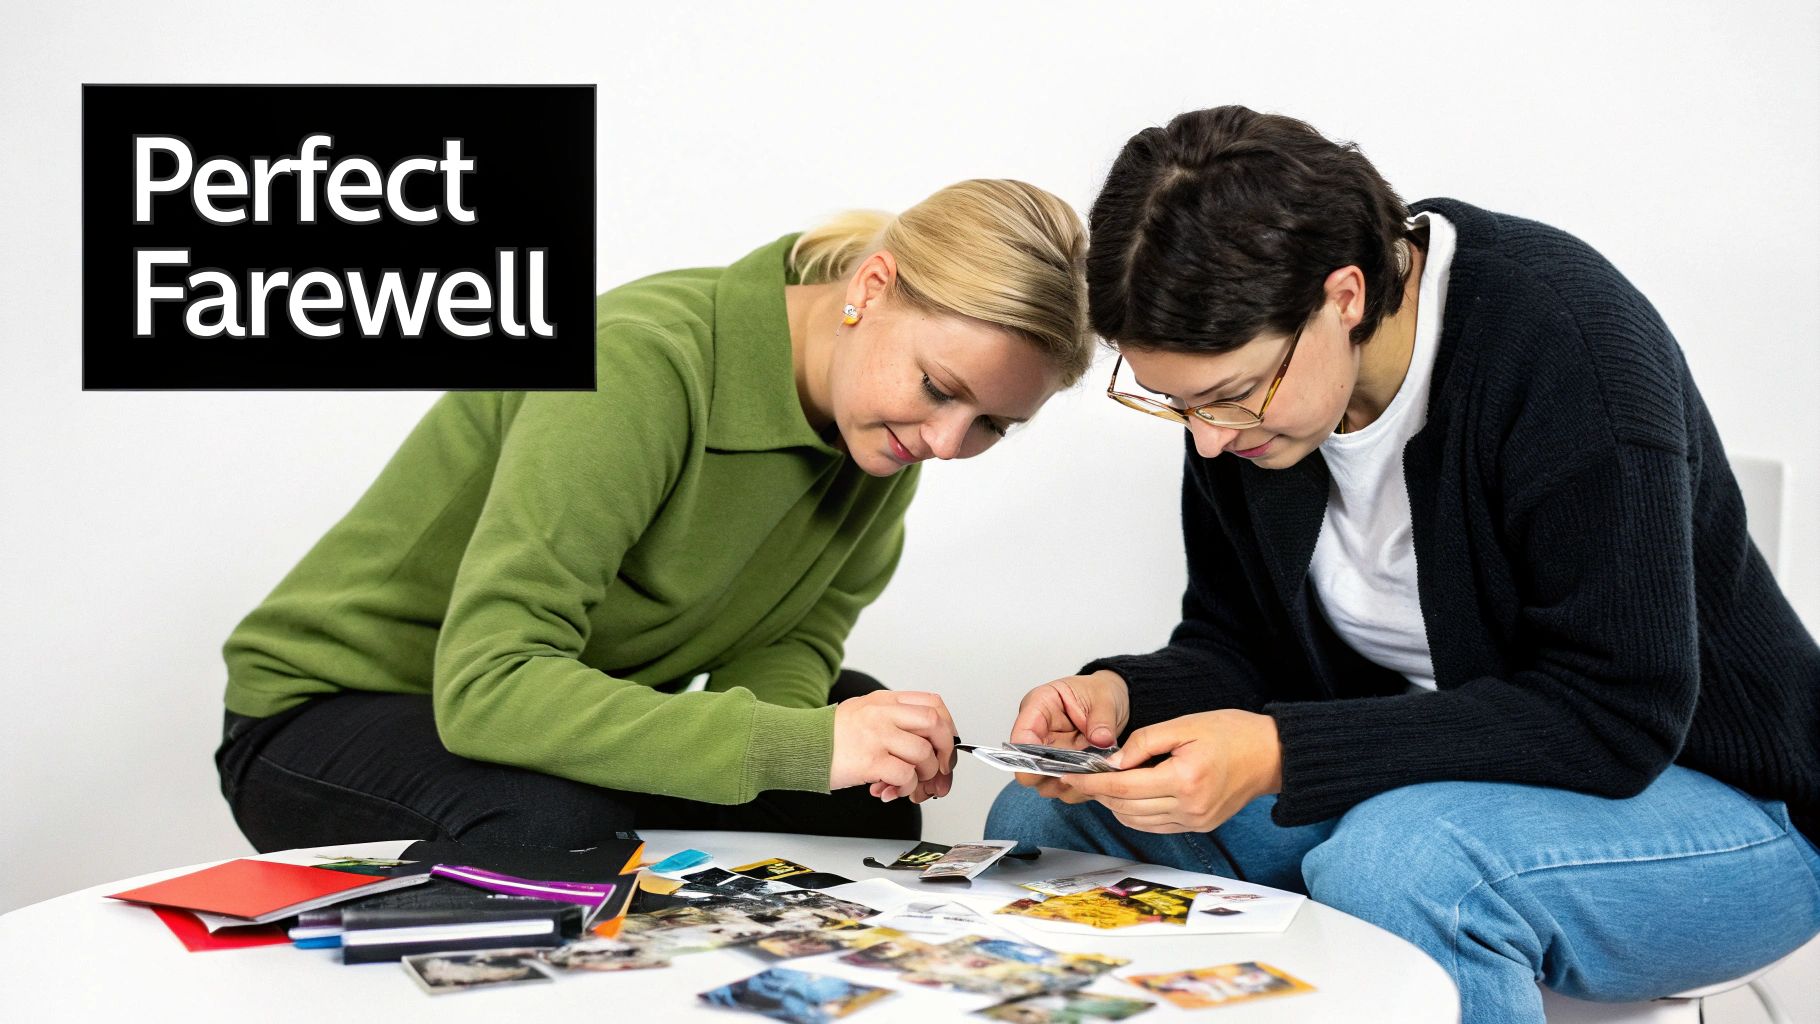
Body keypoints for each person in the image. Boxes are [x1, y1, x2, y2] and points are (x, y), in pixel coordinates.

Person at [986, 107, 1820, 1022]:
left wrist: (1277, 753)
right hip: (1423, 787)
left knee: (1406, 863)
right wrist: (1125, 696)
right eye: (1176, 405)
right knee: (1056, 823)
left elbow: (1618, 713)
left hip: (1727, 809)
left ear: (1344, 294)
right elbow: (1238, 644)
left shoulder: (1566, 345)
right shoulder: (1248, 409)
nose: (1211, 441)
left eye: (1229, 396)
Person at [216, 178, 1095, 851]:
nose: (947, 442)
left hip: (540, 711)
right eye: (940, 389)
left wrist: (821, 751)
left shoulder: (886, 433)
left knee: (855, 780)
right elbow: (488, 688)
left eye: (991, 425)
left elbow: (788, 644)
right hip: (334, 711)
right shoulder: (639, 362)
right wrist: (801, 747)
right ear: (872, 285)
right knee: (553, 824)